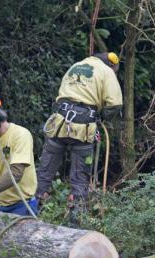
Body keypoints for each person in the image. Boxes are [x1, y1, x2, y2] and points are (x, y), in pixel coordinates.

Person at [36, 52, 123, 224]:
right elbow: (115, 104)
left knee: (44, 174)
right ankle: (75, 224)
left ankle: (31, 214)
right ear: (112, 65)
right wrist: (101, 117)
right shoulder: (106, 71)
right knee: (80, 179)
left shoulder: (75, 65)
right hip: (83, 127)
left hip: (59, 123)